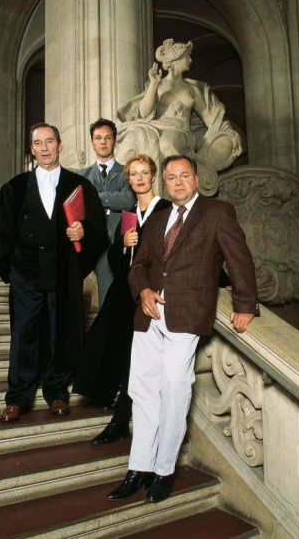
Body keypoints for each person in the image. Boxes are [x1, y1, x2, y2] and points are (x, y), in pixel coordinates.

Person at [107, 155, 259, 504]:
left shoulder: (217, 212)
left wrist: (245, 304)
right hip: (148, 315)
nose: (177, 182)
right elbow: (139, 266)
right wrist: (143, 291)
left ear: (196, 179)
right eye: (171, 177)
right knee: (142, 392)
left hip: (186, 314)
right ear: (166, 182)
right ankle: (138, 468)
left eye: (184, 175)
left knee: (175, 388)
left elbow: (239, 258)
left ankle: (163, 471)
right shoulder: (158, 218)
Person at [0, 123, 108, 422]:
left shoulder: (79, 186)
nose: (44, 148)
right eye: (38, 143)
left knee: (61, 333)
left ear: (60, 145)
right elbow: (4, 231)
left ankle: (57, 392)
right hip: (26, 274)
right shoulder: (15, 187)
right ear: (31, 149)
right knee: (24, 335)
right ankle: (17, 397)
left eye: (49, 141)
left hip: (62, 273)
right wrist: (13, 268)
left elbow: (99, 226)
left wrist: (84, 230)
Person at [73, 154, 171, 441]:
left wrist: (225, 281)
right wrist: (124, 244)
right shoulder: (128, 215)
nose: (139, 178)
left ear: (153, 176)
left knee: (138, 356)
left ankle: (121, 416)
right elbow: (115, 259)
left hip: (151, 292)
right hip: (124, 291)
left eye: (144, 173)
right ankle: (117, 398)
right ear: (128, 179)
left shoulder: (165, 209)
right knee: (107, 344)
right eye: (134, 174)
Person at [116, 39, 242, 194]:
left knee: (167, 143)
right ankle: (120, 188)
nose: (190, 60)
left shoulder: (192, 89)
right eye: (187, 56)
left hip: (181, 132)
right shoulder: (158, 85)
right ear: (177, 61)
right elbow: (144, 114)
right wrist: (154, 85)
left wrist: (227, 133)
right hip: (154, 127)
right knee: (133, 138)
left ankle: (167, 193)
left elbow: (211, 120)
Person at [78, 118, 135, 305]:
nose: (103, 142)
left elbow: (129, 200)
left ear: (115, 142)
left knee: (116, 295)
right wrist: (112, 200)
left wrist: (94, 197)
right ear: (92, 143)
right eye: (98, 138)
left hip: (118, 238)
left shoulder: (128, 172)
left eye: (108, 137)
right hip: (90, 239)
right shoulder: (81, 176)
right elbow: (80, 207)